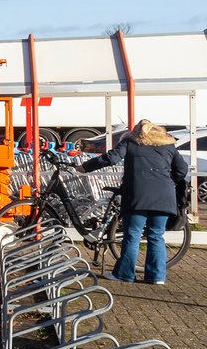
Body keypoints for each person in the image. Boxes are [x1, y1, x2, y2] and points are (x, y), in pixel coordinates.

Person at [80, 119, 188, 284]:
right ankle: (157, 277)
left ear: (138, 132)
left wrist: (85, 167)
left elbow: (111, 159)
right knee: (156, 235)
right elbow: (182, 169)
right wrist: (168, 181)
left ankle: (124, 274)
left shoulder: (131, 142)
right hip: (164, 196)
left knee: (133, 235)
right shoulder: (168, 146)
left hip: (138, 195)